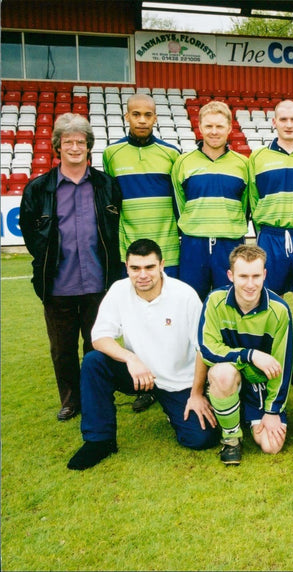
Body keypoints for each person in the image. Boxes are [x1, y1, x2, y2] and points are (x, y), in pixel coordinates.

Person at [66, 239, 218, 470]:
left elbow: (202, 348)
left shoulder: (184, 295)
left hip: (178, 382)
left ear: (161, 266)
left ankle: (172, 408)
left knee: (201, 439)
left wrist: (196, 394)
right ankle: (99, 441)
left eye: (149, 267)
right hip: (140, 374)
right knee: (93, 362)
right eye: (135, 268)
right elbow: (99, 337)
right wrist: (131, 358)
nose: (142, 275)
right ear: (127, 267)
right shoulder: (119, 290)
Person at [20, 113, 122, 422]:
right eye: (68, 142)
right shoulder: (39, 189)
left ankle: (98, 397)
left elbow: (115, 229)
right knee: (62, 350)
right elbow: (30, 233)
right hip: (57, 285)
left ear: (89, 147)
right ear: (57, 147)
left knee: (97, 347)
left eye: (81, 142)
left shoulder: (106, 185)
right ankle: (70, 400)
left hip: (99, 282)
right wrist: (47, 262)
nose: (75, 147)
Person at [103, 92, 181, 413]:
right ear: (127, 116)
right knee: (137, 320)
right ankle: (144, 384)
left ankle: (174, 377)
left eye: (147, 115)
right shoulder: (111, 154)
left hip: (169, 252)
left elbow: (179, 204)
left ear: (155, 117)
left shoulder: (172, 154)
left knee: (170, 319)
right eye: (136, 114)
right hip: (132, 254)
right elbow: (110, 204)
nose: (142, 120)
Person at [199, 245, 293, 465]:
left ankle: (239, 411)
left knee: (272, 446)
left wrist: (272, 411)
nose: (250, 284)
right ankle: (231, 438)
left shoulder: (279, 310)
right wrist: (250, 355)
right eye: (243, 276)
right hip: (231, 376)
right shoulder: (215, 301)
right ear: (230, 275)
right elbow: (207, 350)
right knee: (222, 373)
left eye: (256, 276)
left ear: (264, 275)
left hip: (259, 384)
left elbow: (283, 365)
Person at [172, 100, 250, 300]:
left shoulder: (243, 164)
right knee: (191, 302)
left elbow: (246, 205)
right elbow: (180, 204)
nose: (214, 132)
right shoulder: (183, 162)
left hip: (230, 244)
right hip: (193, 245)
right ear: (199, 127)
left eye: (219, 126)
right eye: (208, 126)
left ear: (229, 128)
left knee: (229, 301)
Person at [249, 100, 293, 313]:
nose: (288, 125)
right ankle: (273, 346)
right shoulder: (258, 157)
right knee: (270, 302)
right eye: (283, 119)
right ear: (274, 122)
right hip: (271, 237)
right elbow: (253, 199)